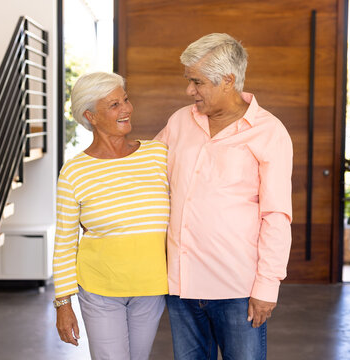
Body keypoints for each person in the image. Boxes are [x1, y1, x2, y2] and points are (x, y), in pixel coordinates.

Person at [155, 33, 293, 359]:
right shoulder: (179, 121)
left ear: (227, 81)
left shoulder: (269, 131)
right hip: (182, 287)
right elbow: (147, 172)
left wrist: (267, 287)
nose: (189, 90)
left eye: (197, 82)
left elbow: (276, 216)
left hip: (237, 290)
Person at [52, 72, 169, 360]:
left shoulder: (158, 155)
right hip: (99, 289)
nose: (126, 109)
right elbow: (65, 243)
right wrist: (63, 304)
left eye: (125, 100)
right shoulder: (74, 172)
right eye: (114, 105)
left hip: (151, 287)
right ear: (90, 116)